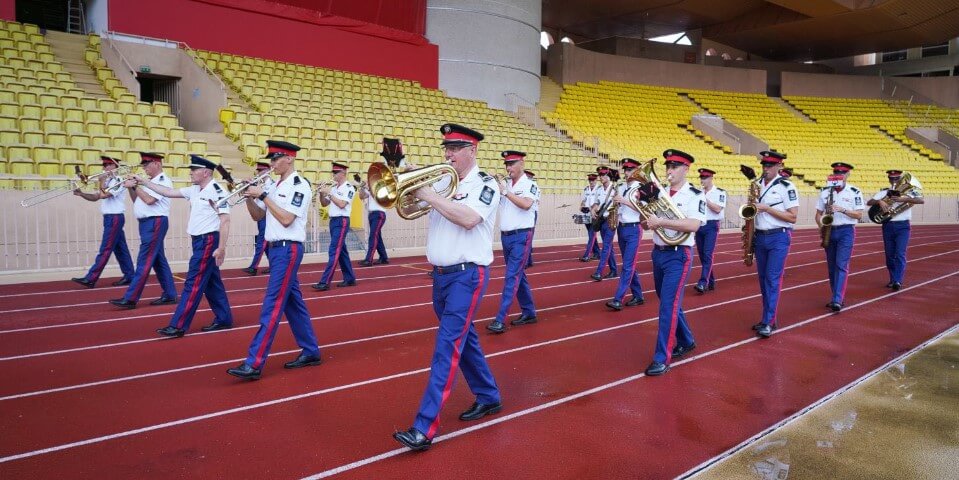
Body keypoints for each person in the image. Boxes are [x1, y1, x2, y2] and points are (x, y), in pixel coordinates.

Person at [393, 123, 502, 452]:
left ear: (473, 150)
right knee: (463, 340)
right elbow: (409, 209)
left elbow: (469, 219)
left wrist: (426, 192)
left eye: (455, 148)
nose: (448, 154)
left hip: (467, 275)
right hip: (440, 276)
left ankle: (424, 427)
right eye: (446, 148)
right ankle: (489, 395)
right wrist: (408, 185)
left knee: (446, 347)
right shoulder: (442, 181)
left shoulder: (486, 185)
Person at [227, 140, 321, 380]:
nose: (272, 164)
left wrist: (265, 195)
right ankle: (311, 351)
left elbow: (287, 218)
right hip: (275, 250)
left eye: (276, 159)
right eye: (271, 159)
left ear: (289, 158)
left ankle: (254, 362)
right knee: (292, 304)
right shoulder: (274, 183)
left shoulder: (299, 185)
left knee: (272, 304)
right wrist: (249, 195)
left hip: (288, 249)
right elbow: (258, 215)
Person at [134, 154, 234, 337]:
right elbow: (166, 192)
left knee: (193, 283)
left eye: (193, 170)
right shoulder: (195, 190)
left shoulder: (217, 191)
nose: (190, 173)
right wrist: (142, 182)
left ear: (205, 172)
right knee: (212, 283)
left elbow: (225, 220)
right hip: (199, 241)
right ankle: (224, 318)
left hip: (208, 240)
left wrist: (222, 248)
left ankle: (178, 325)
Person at [642, 150, 706, 376]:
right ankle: (686, 340)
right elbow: (645, 222)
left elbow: (694, 225)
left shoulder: (694, 194)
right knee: (668, 301)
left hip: (679, 255)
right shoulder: (657, 193)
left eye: (675, 166)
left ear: (686, 169)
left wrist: (661, 220)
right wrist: (646, 218)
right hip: (658, 252)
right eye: (667, 166)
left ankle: (662, 358)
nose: (669, 171)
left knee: (667, 306)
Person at [107, 152, 178, 309]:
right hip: (147, 223)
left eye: (147, 164)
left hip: (155, 222)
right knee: (159, 261)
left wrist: (136, 185)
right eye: (143, 165)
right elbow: (137, 200)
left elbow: (150, 200)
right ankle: (170, 294)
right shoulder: (150, 182)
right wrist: (131, 188)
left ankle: (131, 297)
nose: (144, 168)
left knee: (144, 260)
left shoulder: (162, 181)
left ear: (157, 164)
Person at [487, 151, 539, 334]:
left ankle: (500, 318)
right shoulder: (506, 184)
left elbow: (526, 204)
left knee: (511, 276)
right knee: (518, 275)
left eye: (511, 164)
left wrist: (506, 192)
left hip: (521, 236)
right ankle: (529, 311)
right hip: (506, 236)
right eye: (506, 165)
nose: (508, 168)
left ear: (521, 164)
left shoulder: (530, 185)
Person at [750, 151, 799, 338]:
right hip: (760, 236)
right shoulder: (757, 185)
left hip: (779, 236)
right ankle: (766, 318)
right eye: (764, 165)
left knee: (772, 279)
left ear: (780, 166)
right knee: (763, 280)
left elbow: (793, 216)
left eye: (770, 165)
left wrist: (767, 208)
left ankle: (769, 321)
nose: (766, 168)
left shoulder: (787, 186)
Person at [70, 156, 135, 288]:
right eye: (103, 165)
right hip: (110, 218)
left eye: (106, 165)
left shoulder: (119, 180)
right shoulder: (108, 181)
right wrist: (82, 194)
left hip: (115, 217)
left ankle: (91, 278)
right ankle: (130, 275)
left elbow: (105, 195)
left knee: (105, 249)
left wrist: (101, 181)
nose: (103, 168)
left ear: (113, 166)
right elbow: (96, 197)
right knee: (120, 249)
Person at [815, 162, 864, 312]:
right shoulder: (825, 192)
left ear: (847, 175)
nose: (839, 176)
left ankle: (837, 299)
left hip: (846, 230)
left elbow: (859, 214)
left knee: (841, 265)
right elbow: (818, 215)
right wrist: (822, 227)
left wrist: (842, 210)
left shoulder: (855, 192)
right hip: (829, 230)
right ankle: (835, 295)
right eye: (837, 173)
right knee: (831, 267)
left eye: (842, 173)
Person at [867, 170, 924, 291]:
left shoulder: (908, 192)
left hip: (903, 226)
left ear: (901, 179)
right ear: (888, 179)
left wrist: (903, 199)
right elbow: (869, 202)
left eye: (896, 179)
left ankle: (898, 280)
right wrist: (879, 201)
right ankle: (893, 279)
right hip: (887, 225)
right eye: (891, 179)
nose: (894, 181)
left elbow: (921, 200)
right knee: (889, 255)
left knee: (900, 254)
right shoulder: (884, 191)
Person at [605, 158, 645, 310]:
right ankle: (638, 295)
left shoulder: (643, 187)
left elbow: (645, 209)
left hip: (634, 228)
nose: (627, 173)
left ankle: (618, 299)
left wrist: (624, 201)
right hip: (622, 228)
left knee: (628, 265)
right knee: (629, 265)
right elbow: (618, 204)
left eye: (630, 170)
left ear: (636, 171)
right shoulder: (621, 187)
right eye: (625, 170)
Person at [312, 161, 357, 291]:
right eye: (333, 172)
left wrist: (330, 194)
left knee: (334, 250)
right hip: (333, 221)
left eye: (336, 172)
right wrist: (322, 193)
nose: (334, 175)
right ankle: (350, 278)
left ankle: (325, 281)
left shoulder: (349, 188)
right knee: (341, 251)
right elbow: (325, 203)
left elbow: (342, 204)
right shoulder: (334, 187)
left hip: (342, 220)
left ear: (343, 173)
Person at [359, 139, 401, 267]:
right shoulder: (373, 185)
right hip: (372, 213)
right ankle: (384, 257)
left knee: (373, 236)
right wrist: (362, 187)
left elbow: (377, 195)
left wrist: (369, 187)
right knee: (377, 236)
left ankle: (369, 259)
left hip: (379, 213)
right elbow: (362, 196)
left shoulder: (381, 186)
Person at [693, 168, 726, 294]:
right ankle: (710, 281)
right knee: (702, 255)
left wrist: (704, 199)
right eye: (701, 178)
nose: (703, 180)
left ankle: (703, 282)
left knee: (707, 254)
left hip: (711, 225)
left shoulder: (719, 192)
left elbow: (718, 209)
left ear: (711, 178)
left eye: (705, 178)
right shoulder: (698, 192)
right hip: (700, 225)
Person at [242, 160, 275, 276]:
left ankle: (254, 267)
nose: (259, 173)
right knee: (264, 243)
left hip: (267, 217)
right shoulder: (261, 184)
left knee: (261, 242)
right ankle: (273, 265)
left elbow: (265, 201)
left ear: (268, 171)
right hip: (261, 215)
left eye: (261, 171)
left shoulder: (271, 185)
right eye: (258, 171)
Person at [590, 166, 618, 281]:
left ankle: (599, 272)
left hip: (611, 220)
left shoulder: (616, 189)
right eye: (600, 175)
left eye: (603, 175)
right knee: (609, 246)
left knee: (606, 246)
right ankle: (613, 270)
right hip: (602, 220)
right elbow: (596, 203)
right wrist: (593, 210)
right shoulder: (599, 190)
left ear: (608, 175)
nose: (601, 177)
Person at [579, 173, 602, 262]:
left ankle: (587, 255)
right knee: (591, 235)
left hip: (595, 215)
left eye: (593, 180)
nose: (591, 181)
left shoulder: (599, 189)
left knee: (591, 236)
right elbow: (584, 200)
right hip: (586, 215)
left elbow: (599, 202)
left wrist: (592, 209)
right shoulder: (586, 189)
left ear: (596, 180)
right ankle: (597, 253)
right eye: (590, 180)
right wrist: (581, 206)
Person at [524, 169, 538, 268]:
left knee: (527, 238)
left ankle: (527, 261)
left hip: (531, 213)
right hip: (528, 213)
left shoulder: (533, 186)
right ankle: (529, 260)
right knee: (527, 238)